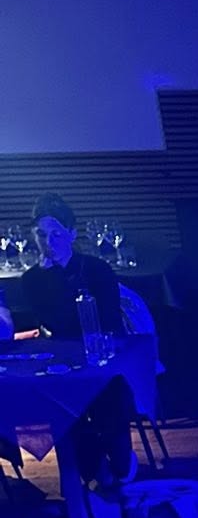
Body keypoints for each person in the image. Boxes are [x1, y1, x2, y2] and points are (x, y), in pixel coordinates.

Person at [0, 193, 134, 493]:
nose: (49, 242)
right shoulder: (33, 279)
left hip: (101, 353)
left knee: (109, 399)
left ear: (72, 234)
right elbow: (53, 322)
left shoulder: (96, 269)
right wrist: (49, 276)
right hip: (61, 358)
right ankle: (91, 468)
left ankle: (121, 464)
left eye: (56, 234)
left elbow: (110, 321)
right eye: (41, 234)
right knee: (56, 406)